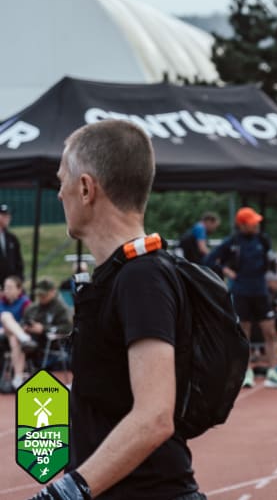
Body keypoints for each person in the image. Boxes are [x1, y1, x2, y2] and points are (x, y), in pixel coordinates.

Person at [29, 118, 207, 499]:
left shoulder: (142, 277)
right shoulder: (123, 274)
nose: (59, 194)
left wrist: (69, 490)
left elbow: (154, 416)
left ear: (86, 187)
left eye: (62, 181)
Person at [205, 207, 277, 389]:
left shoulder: (263, 240)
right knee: (244, 334)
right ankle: (247, 372)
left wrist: (274, 281)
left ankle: (273, 372)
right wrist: (226, 271)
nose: (256, 225)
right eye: (252, 223)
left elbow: (271, 262)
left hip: (261, 292)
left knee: (270, 332)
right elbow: (210, 260)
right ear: (242, 225)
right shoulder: (232, 242)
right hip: (241, 293)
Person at [2, 277, 73, 379]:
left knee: (13, 334)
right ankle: (18, 378)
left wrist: (43, 329)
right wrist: (26, 327)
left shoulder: (61, 309)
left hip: (47, 342)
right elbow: (23, 321)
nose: (41, 297)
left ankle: (18, 377)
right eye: (39, 295)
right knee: (12, 332)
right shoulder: (33, 308)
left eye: (44, 295)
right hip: (29, 341)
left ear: (52, 292)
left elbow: (67, 328)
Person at [0, 275, 32, 392]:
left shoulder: (26, 303)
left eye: (10, 287)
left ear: (19, 289)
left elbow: (29, 322)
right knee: (5, 316)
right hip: (2, 333)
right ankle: (23, 338)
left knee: (14, 338)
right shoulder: (1, 302)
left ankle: (18, 377)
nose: (6, 290)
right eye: (5, 287)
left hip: (15, 335)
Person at [0, 203, 24, 279]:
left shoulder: (12, 238)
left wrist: (17, 279)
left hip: (10, 282)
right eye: (4, 215)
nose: (8, 218)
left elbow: (18, 262)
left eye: (9, 215)